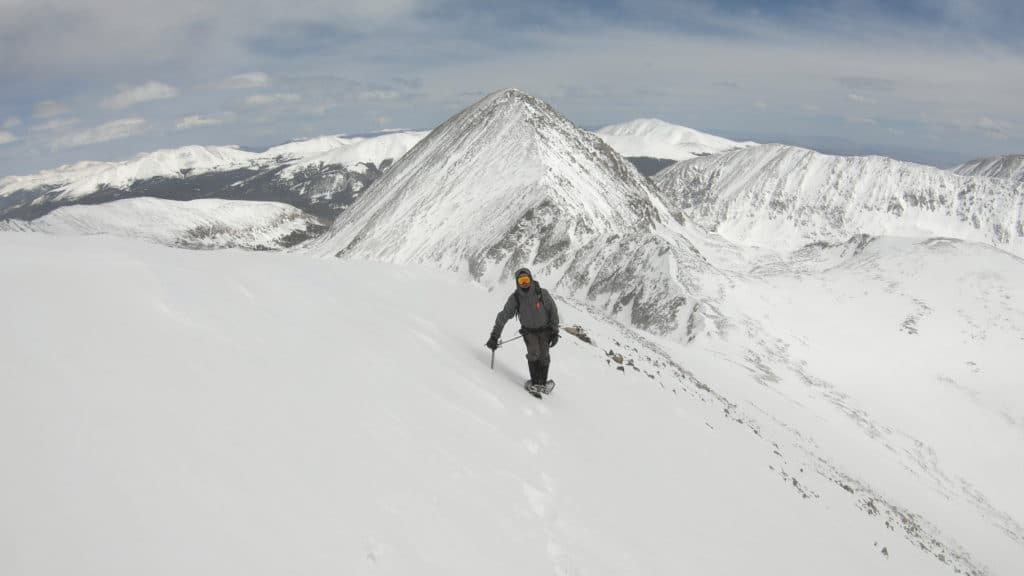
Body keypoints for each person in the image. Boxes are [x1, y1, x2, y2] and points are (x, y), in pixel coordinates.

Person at [486, 268, 560, 393]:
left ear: (531, 279)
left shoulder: (542, 294)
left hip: (545, 330)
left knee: (544, 356)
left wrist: (554, 331)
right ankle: (535, 383)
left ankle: (542, 383)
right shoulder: (516, 298)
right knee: (534, 354)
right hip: (529, 332)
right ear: (517, 282)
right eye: (521, 281)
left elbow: (553, 312)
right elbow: (503, 316)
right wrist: (495, 335)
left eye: (526, 280)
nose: (524, 283)